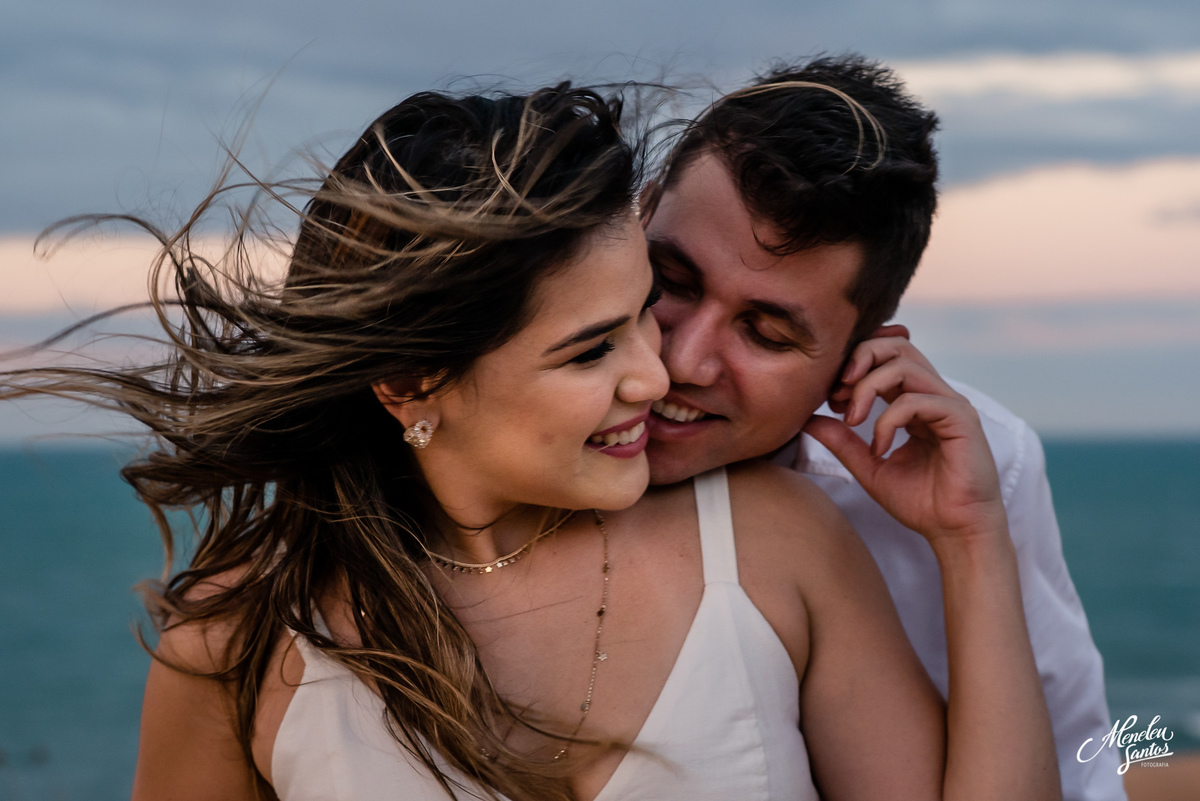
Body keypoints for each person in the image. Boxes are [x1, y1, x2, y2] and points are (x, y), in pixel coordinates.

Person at [2, 83, 1058, 800]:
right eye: (595, 347)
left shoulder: (779, 548)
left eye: (637, 312)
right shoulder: (238, 637)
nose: (663, 372)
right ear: (417, 377)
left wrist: (971, 538)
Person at [640, 55, 1125, 800]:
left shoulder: (986, 465)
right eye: (672, 280)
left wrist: (970, 538)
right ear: (637, 219)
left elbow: (1078, 772)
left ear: (856, 355)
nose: (685, 358)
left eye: (764, 332)